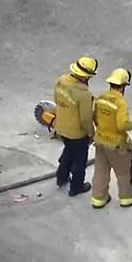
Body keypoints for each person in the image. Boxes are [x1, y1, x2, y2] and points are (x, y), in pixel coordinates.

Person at [91, 68, 132, 209]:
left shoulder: (100, 98)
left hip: (100, 141)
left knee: (101, 170)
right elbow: (122, 125)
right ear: (124, 85)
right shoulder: (120, 102)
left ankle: (98, 199)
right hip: (116, 145)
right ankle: (126, 199)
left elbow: (94, 118)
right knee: (123, 172)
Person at [53, 56, 97, 196]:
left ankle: (61, 178)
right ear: (87, 76)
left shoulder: (61, 81)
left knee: (68, 152)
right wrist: (91, 134)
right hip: (77, 134)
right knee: (79, 161)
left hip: (61, 127)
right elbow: (85, 119)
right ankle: (76, 187)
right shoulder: (83, 94)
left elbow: (56, 100)